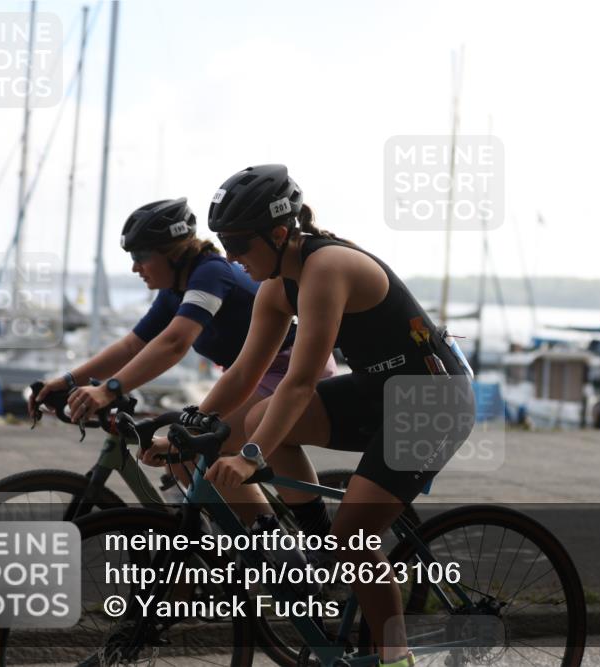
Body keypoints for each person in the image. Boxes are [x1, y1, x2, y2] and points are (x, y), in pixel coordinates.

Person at [143, 165, 475, 667]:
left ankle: (396, 658)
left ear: (279, 233)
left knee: (356, 541)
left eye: (238, 243)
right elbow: (242, 376)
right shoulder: (278, 288)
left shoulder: (327, 268)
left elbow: (299, 383)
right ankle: (316, 542)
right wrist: (188, 429)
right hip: (379, 391)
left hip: (432, 401)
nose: (231, 257)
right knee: (255, 418)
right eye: (222, 243)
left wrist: (252, 458)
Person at [30, 197, 333, 441]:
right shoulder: (175, 290)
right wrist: (69, 380)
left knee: (188, 454)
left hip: (290, 369)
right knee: (185, 461)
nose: (135, 268)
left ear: (172, 252)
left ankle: (275, 521)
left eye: (140, 256)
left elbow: (175, 343)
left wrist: (109, 389)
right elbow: (132, 346)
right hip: (251, 376)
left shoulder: (212, 272)